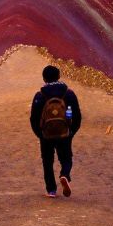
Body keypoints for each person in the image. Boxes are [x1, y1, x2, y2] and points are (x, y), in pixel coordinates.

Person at [30, 64, 82, 198]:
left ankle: (51, 190)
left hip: (46, 135)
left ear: (44, 78)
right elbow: (76, 115)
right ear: (59, 76)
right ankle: (64, 174)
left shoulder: (40, 95)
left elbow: (34, 118)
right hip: (64, 133)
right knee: (66, 158)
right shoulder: (68, 94)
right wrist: (71, 132)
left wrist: (40, 134)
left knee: (47, 161)